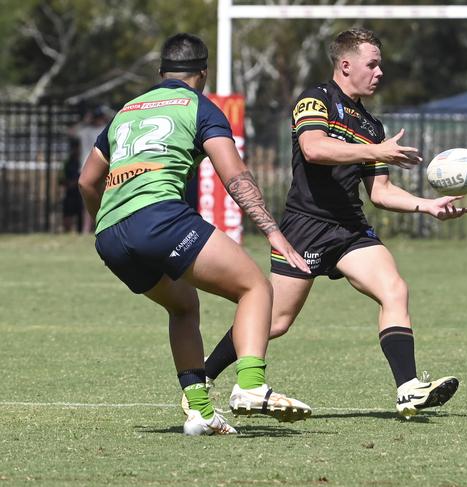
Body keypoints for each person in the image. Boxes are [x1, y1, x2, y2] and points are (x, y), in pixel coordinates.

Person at [202, 28, 467, 419]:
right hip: (306, 225)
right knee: (275, 321)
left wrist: (426, 205)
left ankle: (408, 389)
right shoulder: (316, 101)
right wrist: (374, 150)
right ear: (346, 65)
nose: (379, 72)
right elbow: (313, 149)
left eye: (380, 65)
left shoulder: (371, 124)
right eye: (372, 64)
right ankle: (203, 376)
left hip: (349, 228)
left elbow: (380, 192)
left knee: (394, 289)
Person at [78, 33, 312, 436]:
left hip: (111, 235)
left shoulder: (126, 111)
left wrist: (108, 222)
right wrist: (273, 231)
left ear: (160, 72)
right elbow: (234, 175)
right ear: (202, 73)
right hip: (161, 218)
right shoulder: (199, 107)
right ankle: (252, 386)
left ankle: (200, 411)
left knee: (183, 306)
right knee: (255, 287)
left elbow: (86, 181)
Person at [76, 106, 110, 233]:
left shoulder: (85, 130)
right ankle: (95, 227)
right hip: (101, 167)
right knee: (101, 199)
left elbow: (72, 132)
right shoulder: (100, 129)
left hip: (85, 168)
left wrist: (85, 121)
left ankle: (87, 228)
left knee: (89, 200)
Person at [59, 137, 82, 232]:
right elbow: (60, 179)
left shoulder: (84, 161)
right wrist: (70, 183)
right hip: (70, 194)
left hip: (81, 195)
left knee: (82, 217)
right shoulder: (67, 162)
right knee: (67, 218)